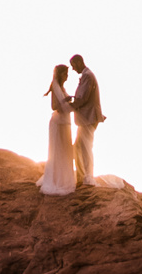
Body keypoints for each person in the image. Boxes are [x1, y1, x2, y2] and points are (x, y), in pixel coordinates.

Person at [38, 63, 76, 196]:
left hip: (64, 122)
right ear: (60, 74)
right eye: (66, 74)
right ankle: (57, 180)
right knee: (58, 151)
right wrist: (66, 101)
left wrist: (67, 101)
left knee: (65, 150)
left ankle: (64, 177)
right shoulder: (55, 87)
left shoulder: (61, 87)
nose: (67, 76)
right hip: (58, 122)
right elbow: (54, 106)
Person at [69, 52, 104, 185]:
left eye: (73, 66)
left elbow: (82, 98)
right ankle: (81, 175)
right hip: (86, 118)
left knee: (85, 147)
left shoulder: (87, 76)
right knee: (78, 146)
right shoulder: (87, 75)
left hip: (88, 118)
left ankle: (88, 177)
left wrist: (67, 106)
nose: (73, 69)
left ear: (79, 62)